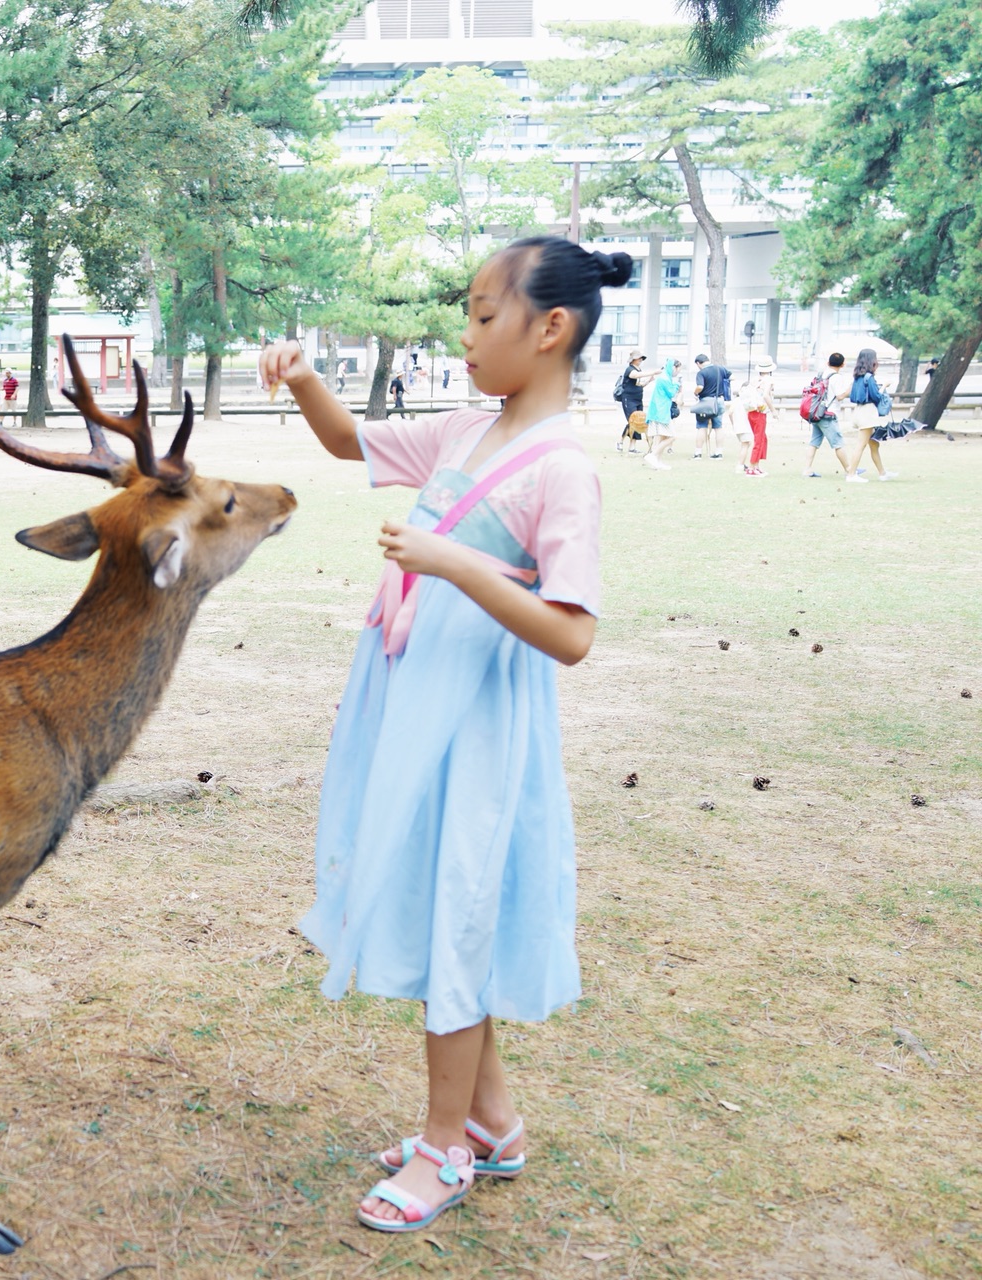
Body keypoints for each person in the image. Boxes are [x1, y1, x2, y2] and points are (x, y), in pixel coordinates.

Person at [259, 235, 611, 1234]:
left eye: (484, 316)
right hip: (410, 704)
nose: (465, 336)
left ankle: (444, 1145)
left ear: (551, 330)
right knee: (438, 900)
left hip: (478, 724)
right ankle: (492, 1120)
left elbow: (574, 633)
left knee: (458, 905)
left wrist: (455, 563)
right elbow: (347, 444)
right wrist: (305, 381)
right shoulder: (467, 430)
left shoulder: (563, 470)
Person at [841, 348, 897, 482]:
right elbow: (877, 396)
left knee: (873, 444)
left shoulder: (857, 377)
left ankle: (882, 473)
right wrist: (884, 386)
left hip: (859, 411)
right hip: (868, 413)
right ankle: (851, 474)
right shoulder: (869, 377)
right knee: (861, 445)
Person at [803, 352, 854, 479]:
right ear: (842, 364)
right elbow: (840, 396)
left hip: (816, 412)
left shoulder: (821, 374)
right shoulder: (836, 377)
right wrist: (850, 388)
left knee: (814, 442)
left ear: (828, 363)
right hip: (828, 414)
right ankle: (849, 469)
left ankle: (807, 469)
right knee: (838, 443)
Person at [642, 357, 681, 470]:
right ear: (674, 367)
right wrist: (677, 385)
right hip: (660, 412)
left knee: (661, 438)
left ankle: (657, 462)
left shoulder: (663, 377)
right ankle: (653, 456)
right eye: (678, 369)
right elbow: (671, 394)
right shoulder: (665, 379)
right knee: (672, 437)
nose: (678, 372)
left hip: (658, 411)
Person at [689, 355, 730, 459]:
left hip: (706, 402)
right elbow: (731, 377)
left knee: (702, 426)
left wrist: (695, 393)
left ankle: (698, 453)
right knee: (718, 427)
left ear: (698, 363)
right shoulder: (720, 368)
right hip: (719, 400)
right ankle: (719, 452)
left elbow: (700, 387)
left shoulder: (701, 373)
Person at [612, 352, 653, 452]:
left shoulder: (639, 370)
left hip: (638, 399)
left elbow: (639, 384)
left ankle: (632, 447)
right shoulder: (630, 370)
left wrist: (649, 381)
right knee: (631, 421)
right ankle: (620, 441)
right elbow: (635, 375)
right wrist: (653, 372)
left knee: (638, 421)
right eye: (639, 358)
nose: (641, 360)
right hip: (629, 399)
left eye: (642, 358)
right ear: (633, 359)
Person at [739, 361, 774, 476]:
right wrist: (773, 410)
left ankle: (756, 465)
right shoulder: (768, 380)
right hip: (760, 411)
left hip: (752, 411)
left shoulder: (754, 380)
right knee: (759, 440)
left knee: (762, 438)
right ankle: (752, 467)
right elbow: (765, 395)